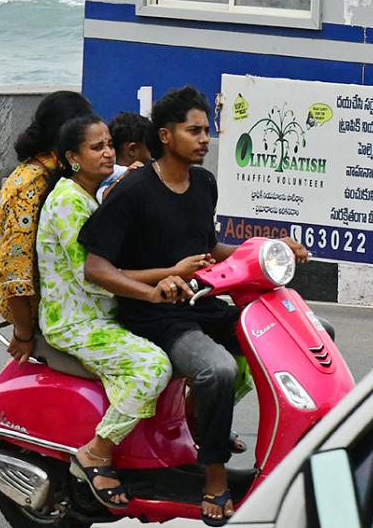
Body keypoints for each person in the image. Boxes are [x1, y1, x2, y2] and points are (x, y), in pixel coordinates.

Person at [78, 86, 309, 526]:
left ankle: (236, 432)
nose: (205, 138)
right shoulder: (135, 190)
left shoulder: (204, 183)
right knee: (217, 369)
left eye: (208, 130)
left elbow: (209, 248)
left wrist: (268, 249)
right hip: (155, 316)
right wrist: (160, 280)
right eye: (195, 130)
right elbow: (96, 267)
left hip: (201, 305)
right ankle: (214, 477)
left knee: (292, 336)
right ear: (165, 135)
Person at [37, 113, 199, 509]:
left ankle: (190, 433)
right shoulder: (67, 202)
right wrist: (164, 279)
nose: (109, 153)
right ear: (73, 158)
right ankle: (97, 450)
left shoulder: (94, 195)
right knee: (152, 366)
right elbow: (94, 276)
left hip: (106, 316)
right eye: (97, 148)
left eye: (109, 144)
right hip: (76, 322)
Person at [0, 91, 94, 364]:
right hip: (41, 311)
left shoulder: (60, 171)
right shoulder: (30, 184)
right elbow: (16, 268)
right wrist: (23, 333)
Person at [97, 111, 153, 201]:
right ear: (132, 149)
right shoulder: (114, 173)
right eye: (151, 148)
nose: (153, 156)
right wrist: (125, 176)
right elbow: (104, 198)